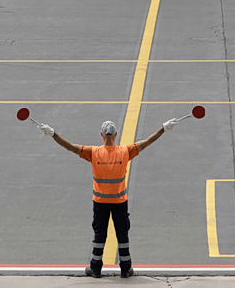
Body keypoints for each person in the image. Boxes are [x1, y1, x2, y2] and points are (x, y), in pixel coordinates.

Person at [38, 117, 179, 278]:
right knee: (122, 235)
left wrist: (53, 133)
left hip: (100, 202)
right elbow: (146, 142)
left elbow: (70, 147)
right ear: (116, 134)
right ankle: (126, 269)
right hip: (119, 202)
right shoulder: (125, 151)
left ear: (101, 135)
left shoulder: (93, 152)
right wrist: (163, 128)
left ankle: (95, 268)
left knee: (99, 235)